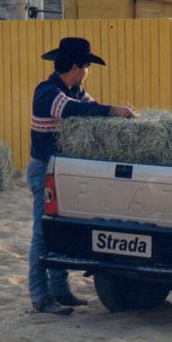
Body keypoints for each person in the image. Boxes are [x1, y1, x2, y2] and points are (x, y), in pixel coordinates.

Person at [28, 37, 137, 315]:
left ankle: (60, 291)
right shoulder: (48, 93)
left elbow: (91, 107)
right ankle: (41, 296)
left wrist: (113, 113)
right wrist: (114, 111)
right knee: (42, 233)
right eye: (88, 66)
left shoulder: (75, 91)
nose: (89, 71)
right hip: (46, 170)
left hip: (63, 172)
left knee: (59, 230)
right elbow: (73, 110)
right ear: (76, 66)